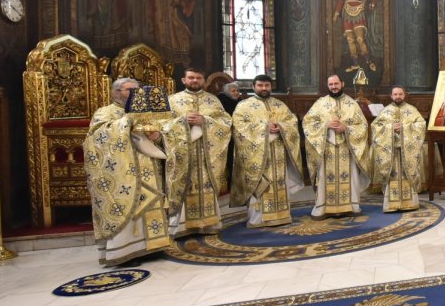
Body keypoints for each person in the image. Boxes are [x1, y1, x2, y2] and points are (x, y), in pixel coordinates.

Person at [84, 79, 188, 266]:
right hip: (122, 175)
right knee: (127, 208)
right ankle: (125, 252)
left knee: (152, 203)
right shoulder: (105, 112)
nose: (137, 94)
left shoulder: (146, 112)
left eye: (138, 90)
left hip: (150, 169)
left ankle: (152, 247)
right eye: (131, 90)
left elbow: (163, 134)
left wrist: (158, 136)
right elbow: (98, 139)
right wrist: (127, 122)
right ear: (117, 92)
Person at [230, 75, 304, 228]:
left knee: (279, 184)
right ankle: (258, 219)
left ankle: (282, 215)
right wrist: (264, 128)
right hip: (256, 156)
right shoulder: (244, 106)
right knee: (260, 185)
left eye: (267, 85)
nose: (264, 88)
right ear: (253, 86)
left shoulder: (280, 105)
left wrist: (282, 127)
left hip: (278, 153)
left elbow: (292, 122)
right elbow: (238, 128)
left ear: (271, 87)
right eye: (260, 85)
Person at [168, 66, 232, 236]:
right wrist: (182, 121)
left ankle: (208, 224)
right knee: (183, 185)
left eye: (198, 78)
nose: (194, 81)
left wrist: (205, 121)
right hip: (183, 155)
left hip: (207, 156)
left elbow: (225, 122)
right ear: (184, 80)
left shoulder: (213, 100)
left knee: (207, 186)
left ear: (203, 81)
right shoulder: (172, 101)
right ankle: (182, 226)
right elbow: (162, 125)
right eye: (191, 77)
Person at [303, 74, 372, 217]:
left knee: (350, 177)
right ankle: (323, 208)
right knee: (324, 178)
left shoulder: (352, 104)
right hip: (326, 148)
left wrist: (346, 128)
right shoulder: (320, 104)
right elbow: (308, 123)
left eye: (336, 84)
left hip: (346, 148)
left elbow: (362, 126)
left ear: (342, 83)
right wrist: (325, 125)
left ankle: (351, 207)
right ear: (328, 86)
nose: (334, 87)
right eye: (331, 85)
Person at [371, 86, 428, 212]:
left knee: (407, 175)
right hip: (391, 152)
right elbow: (375, 127)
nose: (398, 96)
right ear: (391, 96)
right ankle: (391, 205)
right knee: (392, 176)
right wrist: (390, 127)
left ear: (404, 95)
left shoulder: (411, 110)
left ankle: (410, 203)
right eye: (395, 94)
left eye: (400, 94)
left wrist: (404, 128)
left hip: (407, 151)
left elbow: (421, 125)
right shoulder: (385, 111)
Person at [333, 0, 379, 73]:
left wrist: (373, 3)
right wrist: (336, 13)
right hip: (347, 14)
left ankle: (368, 61)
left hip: (359, 13)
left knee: (359, 39)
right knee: (350, 40)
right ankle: (355, 64)